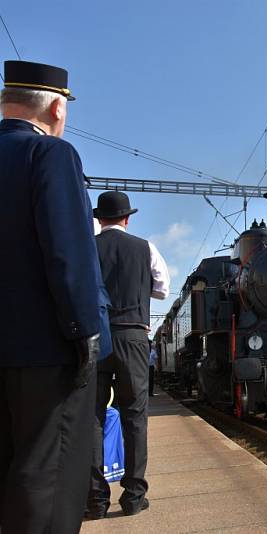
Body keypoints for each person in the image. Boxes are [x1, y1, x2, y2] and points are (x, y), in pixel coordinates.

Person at [0, 60, 109, 533]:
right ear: (58, 108)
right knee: (48, 480)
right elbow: (69, 256)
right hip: (45, 352)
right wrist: (85, 332)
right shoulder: (50, 155)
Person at [87, 191, 170, 518]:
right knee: (134, 416)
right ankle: (134, 496)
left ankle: (95, 500)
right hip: (133, 336)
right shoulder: (145, 247)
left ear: (100, 218)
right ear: (127, 218)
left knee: (92, 416)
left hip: (95, 336)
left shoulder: (88, 247)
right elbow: (162, 289)